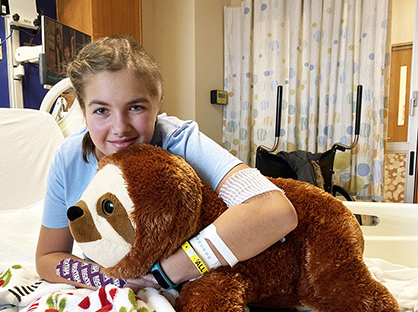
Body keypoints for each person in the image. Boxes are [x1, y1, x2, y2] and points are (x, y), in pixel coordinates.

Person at [35, 35, 298, 291]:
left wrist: (167, 273)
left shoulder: (180, 141)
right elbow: (48, 258)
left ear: (157, 104)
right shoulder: (69, 159)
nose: (120, 128)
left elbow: (275, 211)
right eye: (101, 110)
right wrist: (113, 279)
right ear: (83, 111)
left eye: (136, 107)